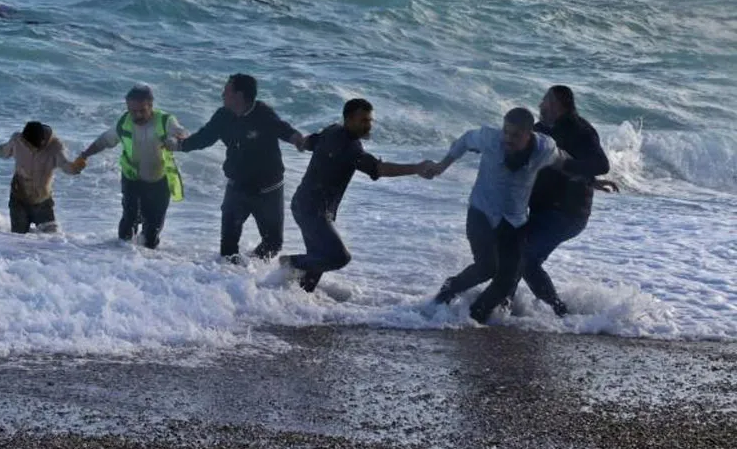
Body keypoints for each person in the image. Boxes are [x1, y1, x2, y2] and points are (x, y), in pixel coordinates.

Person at [428, 107, 581, 324]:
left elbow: (562, 160)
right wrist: (442, 166)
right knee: (487, 267)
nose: (508, 138)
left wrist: (590, 179)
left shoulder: (543, 148)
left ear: (529, 134)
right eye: (506, 132)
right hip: (481, 213)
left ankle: (474, 318)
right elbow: (465, 140)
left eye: (515, 135)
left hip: (514, 220)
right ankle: (449, 289)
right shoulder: (490, 139)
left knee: (507, 279)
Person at [281, 98, 435, 292]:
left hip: (304, 204)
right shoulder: (350, 148)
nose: (368, 125)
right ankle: (290, 262)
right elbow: (379, 169)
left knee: (318, 259)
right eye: (363, 120)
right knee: (338, 257)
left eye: (370, 120)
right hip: (314, 210)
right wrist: (416, 168)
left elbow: (310, 142)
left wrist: (300, 142)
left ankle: (294, 297)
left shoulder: (332, 130)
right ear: (348, 119)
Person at [170, 74, 305, 261]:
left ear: (239, 96)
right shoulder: (223, 115)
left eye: (226, 91)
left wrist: (297, 139)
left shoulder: (263, 114)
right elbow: (204, 137)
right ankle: (230, 274)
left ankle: (249, 269)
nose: (222, 95)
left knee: (273, 244)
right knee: (227, 248)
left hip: (268, 190)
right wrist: (179, 146)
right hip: (237, 187)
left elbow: (282, 129)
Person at [514, 85, 613, 317]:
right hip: (543, 209)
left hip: (567, 213)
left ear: (557, 105)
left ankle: (559, 313)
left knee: (525, 258)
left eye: (545, 100)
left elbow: (601, 164)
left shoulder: (580, 130)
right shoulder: (541, 129)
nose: (540, 105)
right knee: (516, 255)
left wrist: (565, 165)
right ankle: (506, 304)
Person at [76, 84, 188, 249]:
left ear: (151, 105)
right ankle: (121, 258)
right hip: (132, 179)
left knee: (152, 232)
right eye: (132, 111)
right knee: (128, 222)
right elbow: (104, 141)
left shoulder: (165, 120)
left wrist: (175, 140)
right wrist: (85, 155)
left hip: (159, 180)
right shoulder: (124, 122)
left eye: (142, 110)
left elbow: (182, 134)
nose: (137, 115)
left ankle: (148, 261)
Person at [0, 121, 85, 234]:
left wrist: (76, 167)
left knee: (51, 240)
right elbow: (3, 151)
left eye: (34, 147)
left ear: (42, 141)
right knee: (18, 238)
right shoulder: (17, 140)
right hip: (18, 200)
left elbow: (66, 166)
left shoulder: (55, 147)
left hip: (43, 202)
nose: (31, 149)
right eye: (28, 145)